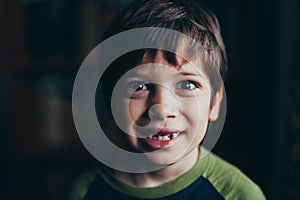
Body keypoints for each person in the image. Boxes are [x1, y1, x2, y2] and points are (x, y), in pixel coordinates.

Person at [70, 0, 265, 199]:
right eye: (140, 87)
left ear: (214, 103)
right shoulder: (86, 191)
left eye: (186, 85)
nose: (161, 109)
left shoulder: (239, 195)